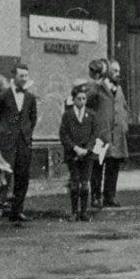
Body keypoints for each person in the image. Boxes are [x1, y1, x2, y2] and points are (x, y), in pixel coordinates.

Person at [0, 64, 38, 222]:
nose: (24, 79)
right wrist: (1, 136)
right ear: (14, 76)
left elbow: (32, 119)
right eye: (21, 76)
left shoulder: (30, 97)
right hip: (6, 142)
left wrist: (26, 133)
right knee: (4, 176)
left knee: (23, 176)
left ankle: (17, 211)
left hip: (23, 142)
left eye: (26, 76)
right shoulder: (2, 96)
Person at [88, 59, 130, 208]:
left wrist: (124, 125)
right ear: (107, 72)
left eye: (119, 71)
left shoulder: (119, 89)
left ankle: (109, 196)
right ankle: (95, 197)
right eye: (115, 71)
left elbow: (124, 107)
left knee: (113, 167)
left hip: (117, 136)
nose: (118, 74)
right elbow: (88, 104)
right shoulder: (98, 87)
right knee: (97, 166)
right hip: (101, 135)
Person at [59, 80, 98, 222]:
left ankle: (84, 212)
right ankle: (74, 211)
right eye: (78, 99)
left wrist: (87, 149)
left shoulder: (91, 115)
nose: (81, 101)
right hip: (73, 153)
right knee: (75, 182)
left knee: (85, 182)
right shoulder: (67, 115)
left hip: (87, 154)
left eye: (84, 98)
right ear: (73, 100)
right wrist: (75, 148)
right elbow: (63, 135)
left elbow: (95, 135)